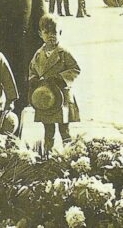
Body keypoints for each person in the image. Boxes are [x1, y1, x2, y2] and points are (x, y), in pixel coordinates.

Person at [29, 14, 80, 153]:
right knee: (48, 130)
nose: (51, 36)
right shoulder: (38, 54)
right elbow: (32, 70)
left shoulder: (64, 53)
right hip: (45, 98)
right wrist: (33, 80)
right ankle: (48, 155)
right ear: (40, 34)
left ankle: (70, 155)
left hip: (62, 96)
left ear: (60, 33)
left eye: (55, 32)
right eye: (47, 32)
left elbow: (75, 69)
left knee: (64, 129)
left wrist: (60, 77)